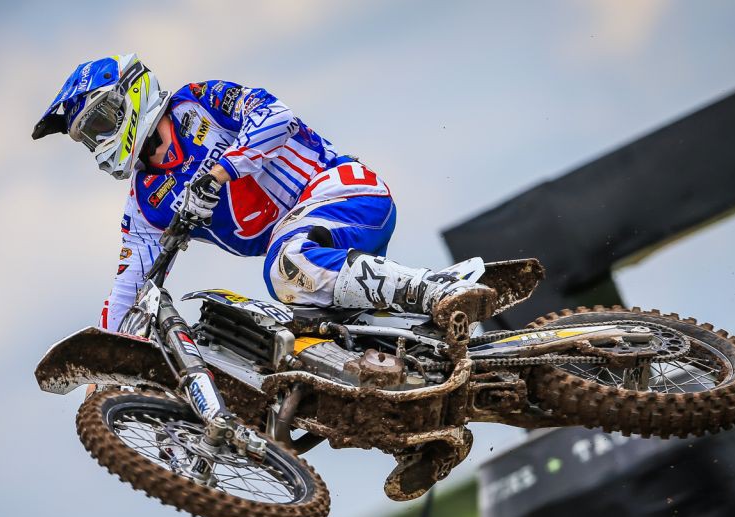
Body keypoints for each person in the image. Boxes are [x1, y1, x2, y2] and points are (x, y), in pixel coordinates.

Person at [33, 53, 498, 334]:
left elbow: (277, 116)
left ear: (128, 98)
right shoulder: (146, 201)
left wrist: (220, 173)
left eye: (99, 123)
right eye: (88, 136)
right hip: (307, 252)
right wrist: (105, 365)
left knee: (284, 267)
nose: (99, 140)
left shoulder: (199, 102)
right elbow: (130, 284)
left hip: (341, 191)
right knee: (295, 344)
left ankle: (431, 289)